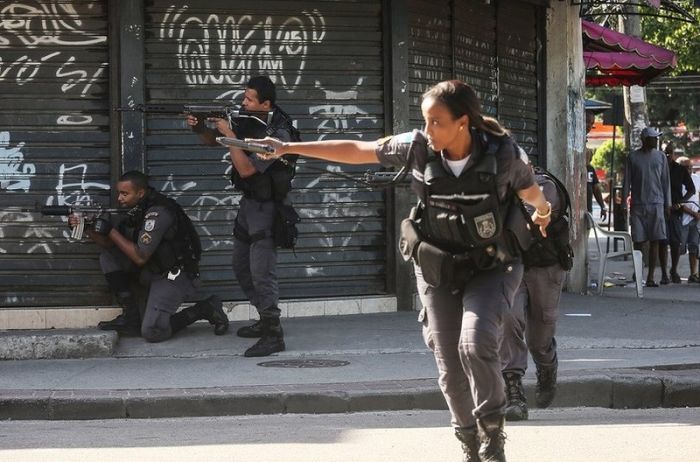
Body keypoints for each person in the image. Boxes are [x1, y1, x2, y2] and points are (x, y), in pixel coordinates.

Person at [249, 80, 552, 462]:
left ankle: (493, 433)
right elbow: (360, 150)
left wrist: (542, 213)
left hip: (491, 264)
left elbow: (531, 193)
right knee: (448, 359)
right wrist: (289, 147)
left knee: (475, 344)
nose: (428, 130)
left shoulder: (502, 152)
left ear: (463, 122)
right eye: (426, 121)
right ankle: (469, 442)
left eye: (437, 122)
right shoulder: (418, 146)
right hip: (439, 263)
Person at [187, 75, 297, 357]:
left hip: (268, 208)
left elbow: (247, 170)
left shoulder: (280, 133)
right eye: (244, 97)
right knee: (240, 266)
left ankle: (274, 334)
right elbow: (216, 142)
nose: (243, 103)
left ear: (266, 103)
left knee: (262, 273)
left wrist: (231, 135)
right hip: (249, 205)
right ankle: (263, 318)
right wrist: (200, 128)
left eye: (249, 99)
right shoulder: (250, 120)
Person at [72, 170, 229, 342]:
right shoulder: (137, 210)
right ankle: (132, 317)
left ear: (140, 192)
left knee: (153, 332)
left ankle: (204, 309)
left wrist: (110, 230)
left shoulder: (158, 212)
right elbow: (113, 244)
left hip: (175, 275)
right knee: (109, 257)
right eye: (119, 193)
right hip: (152, 270)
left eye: (125, 194)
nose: (119, 199)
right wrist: (87, 229)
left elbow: (140, 256)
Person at [499, 163, 572, 422]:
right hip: (512, 267)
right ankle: (514, 392)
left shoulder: (544, 186)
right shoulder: (496, 188)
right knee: (508, 322)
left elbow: (532, 220)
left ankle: (547, 368)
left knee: (539, 340)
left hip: (545, 266)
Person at [622, 127, 671, 288]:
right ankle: (638, 272)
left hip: (657, 204)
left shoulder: (661, 157)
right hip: (638, 204)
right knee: (639, 241)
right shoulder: (633, 157)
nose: (656, 141)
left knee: (655, 240)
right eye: (653, 138)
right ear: (644, 139)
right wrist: (624, 202)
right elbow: (627, 181)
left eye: (656, 138)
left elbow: (665, 182)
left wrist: (668, 204)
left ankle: (650, 277)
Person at [663, 144, 695, 283]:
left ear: (674, 154)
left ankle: (673, 270)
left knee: (675, 242)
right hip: (661, 209)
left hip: (676, 210)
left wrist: (681, 202)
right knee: (662, 241)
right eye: (665, 153)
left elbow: (691, 189)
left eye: (670, 153)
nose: (668, 155)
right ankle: (664, 272)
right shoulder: (658, 168)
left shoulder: (680, 170)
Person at [677, 155, 700, 282]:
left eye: (691, 167)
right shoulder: (677, 180)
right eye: (686, 167)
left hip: (695, 219)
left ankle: (693, 274)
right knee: (679, 247)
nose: (689, 170)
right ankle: (673, 272)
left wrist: (698, 213)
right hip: (682, 218)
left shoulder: (696, 179)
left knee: (694, 246)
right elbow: (678, 202)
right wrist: (692, 213)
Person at [585, 111, 608, 221]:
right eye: (587, 122)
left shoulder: (590, 169)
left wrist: (602, 206)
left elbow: (596, 189)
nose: (589, 126)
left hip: (587, 212)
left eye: (592, 123)